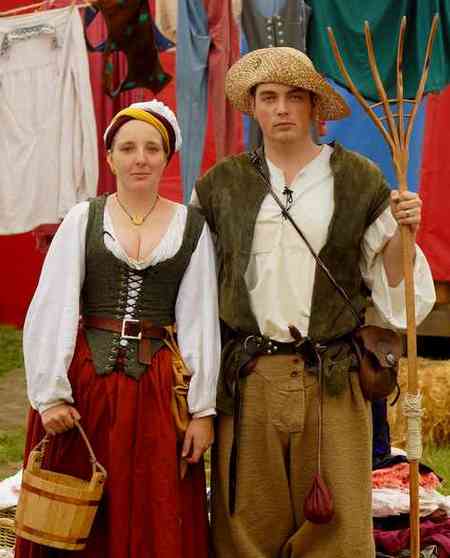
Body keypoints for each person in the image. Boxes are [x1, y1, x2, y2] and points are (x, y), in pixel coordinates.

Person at [192, 47, 436, 558]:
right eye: (269, 97)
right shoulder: (220, 186)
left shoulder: (358, 179)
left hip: (331, 377)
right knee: (246, 524)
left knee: (339, 527)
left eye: (295, 98)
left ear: (314, 109)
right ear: (253, 107)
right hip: (250, 377)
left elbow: (393, 287)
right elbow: (192, 286)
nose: (281, 109)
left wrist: (405, 233)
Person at [16, 100, 220, 558]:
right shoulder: (83, 219)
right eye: (127, 148)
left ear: (166, 157)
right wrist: (51, 395)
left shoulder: (191, 227)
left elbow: (199, 319)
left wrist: (203, 410)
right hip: (84, 387)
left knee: (154, 504)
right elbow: (52, 307)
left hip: (156, 390)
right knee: (77, 511)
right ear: (110, 157)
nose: (140, 158)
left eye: (152, 148)